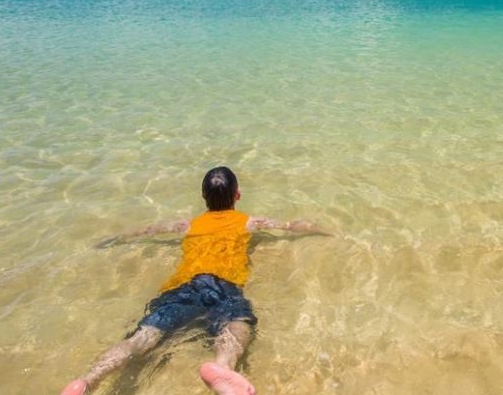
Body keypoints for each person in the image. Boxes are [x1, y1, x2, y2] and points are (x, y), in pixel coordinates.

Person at [61, 166, 321, 395]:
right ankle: (222, 367)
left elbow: (147, 231)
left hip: (183, 286)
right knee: (237, 325)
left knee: (142, 338)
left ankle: (87, 381)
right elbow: (290, 226)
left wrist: (114, 239)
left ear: (203, 197)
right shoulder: (249, 222)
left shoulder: (187, 225)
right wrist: (324, 229)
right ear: (238, 195)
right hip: (223, 285)